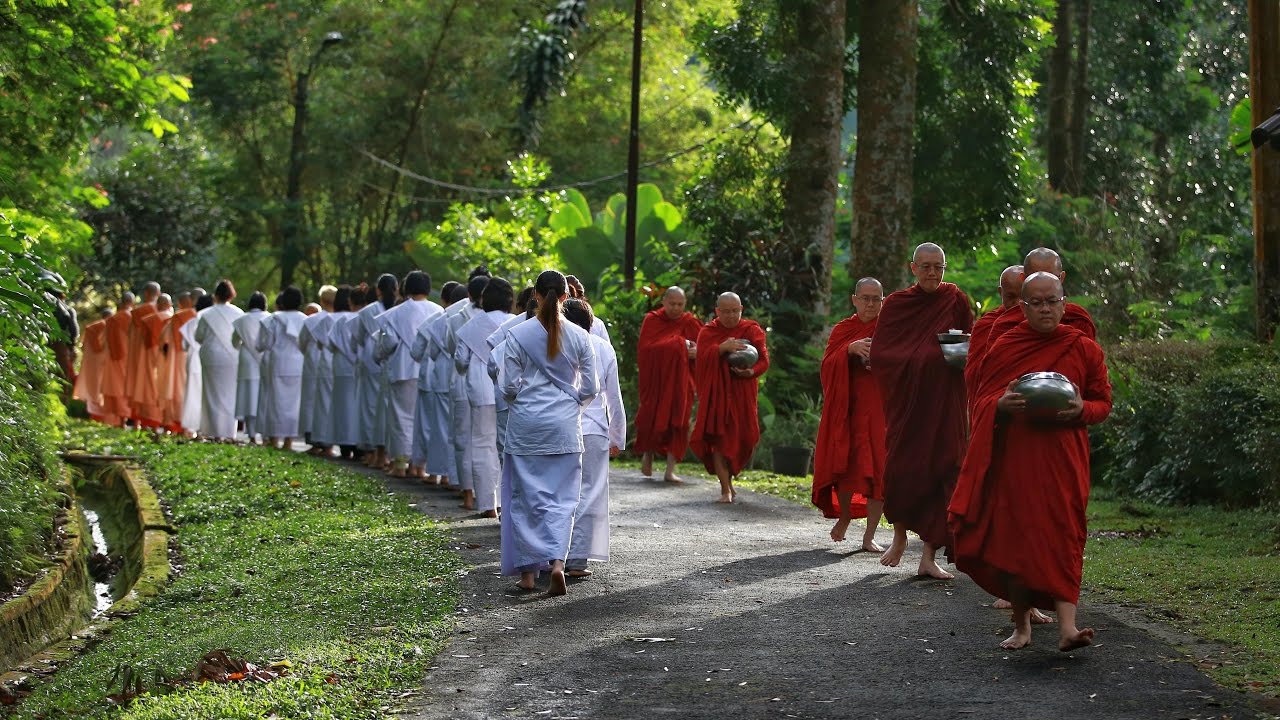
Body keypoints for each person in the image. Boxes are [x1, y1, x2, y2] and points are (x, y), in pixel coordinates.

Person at [949, 272, 1112, 651]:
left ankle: (1068, 628)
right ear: (1022, 307)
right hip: (1017, 457)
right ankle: (1021, 626)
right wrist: (1000, 405)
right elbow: (982, 400)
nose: (1045, 309)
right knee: (1017, 538)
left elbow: (1103, 403)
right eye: (1036, 303)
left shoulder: (1083, 348)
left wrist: (1082, 409)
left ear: (1064, 303)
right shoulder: (1007, 345)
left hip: (1064, 458)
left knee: (1065, 534)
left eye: (1052, 301)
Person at [869, 242, 974, 579]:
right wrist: (920, 359)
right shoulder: (897, 304)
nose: (932, 273)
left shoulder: (956, 300)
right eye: (925, 266)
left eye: (938, 267)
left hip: (945, 402)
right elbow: (881, 353)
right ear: (912, 268)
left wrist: (956, 354)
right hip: (908, 405)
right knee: (901, 470)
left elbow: (968, 342)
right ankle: (899, 538)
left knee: (945, 470)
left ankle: (928, 556)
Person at [499, 270, 599, 596]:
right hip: (564, 428)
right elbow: (591, 387)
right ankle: (557, 564)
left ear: (536, 296)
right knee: (562, 500)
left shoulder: (518, 334)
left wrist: (522, 402)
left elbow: (507, 385)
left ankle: (528, 575)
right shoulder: (581, 336)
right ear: (566, 297)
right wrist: (572, 405)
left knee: (525, 500)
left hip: (526, 427)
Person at [812, 278, 887, 551]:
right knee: (846, 465)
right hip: (849, 410)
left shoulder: (890, 328)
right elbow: (826, 367)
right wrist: (848, 350)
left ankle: (870, 535)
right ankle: (844, 516)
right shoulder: (843, 329)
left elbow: (904, 361)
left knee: (879, 470)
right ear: (854, 300)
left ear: (883, 301)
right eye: (865, 298)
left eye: (876, 299)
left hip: (880, 409)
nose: (870, 304)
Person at [563, 298, 625, 578]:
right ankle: (577, 559)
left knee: (558, 491)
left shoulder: (553, 345)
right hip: (595, 429)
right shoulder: (602, 347)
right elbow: (613, 397)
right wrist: (617, 437)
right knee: (589, 491)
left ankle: (553, 555)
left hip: (559, 426)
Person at [690, 292, 769, 504]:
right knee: (718, 441)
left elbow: (764, 360)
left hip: (743, 393)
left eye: (735, 311)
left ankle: (730, 481)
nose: (731, 316)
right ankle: (725, 489)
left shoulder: (751, 330)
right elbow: (702, 360)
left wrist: (751, 372)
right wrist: (721, 348)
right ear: (717, 311)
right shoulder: (709, 332)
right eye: (725, 312)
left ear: (741, 309)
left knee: (745, 438)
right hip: (717, 396)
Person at [455, 277, 515, 516]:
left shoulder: (471, 325)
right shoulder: (515, 323)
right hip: (508, 392)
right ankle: (504, 501)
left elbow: (461, 361)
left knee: (482, 444)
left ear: (484, 299)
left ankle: (487, 504)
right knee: (506, 446)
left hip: (479, 390)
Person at [376, 270, 441, 477]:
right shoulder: (438, 310)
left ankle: (401, 465)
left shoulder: (396, 313)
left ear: (406, 288)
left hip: (403, 369)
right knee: (424, 420)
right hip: (430, 371)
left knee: (401, 417)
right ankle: (419, 465)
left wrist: (380, 354)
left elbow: (389, 342)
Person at [634, 286, 702, 483]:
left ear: (685, 304)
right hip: (656, 382)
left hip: (682, 382)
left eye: (680, 304)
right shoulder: (652, 320)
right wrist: (679, 345)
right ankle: (648, 456)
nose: (676, 308)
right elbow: (645, 350)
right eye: (672, 304)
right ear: (663, 302)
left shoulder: (690, 322)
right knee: (651, 417)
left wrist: (696, 352)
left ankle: (670, 470)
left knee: (680, 421)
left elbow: (703, 347)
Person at [445, 271, 490, 509]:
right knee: (489, 443)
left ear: (469, 295)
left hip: (463, 383)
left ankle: (468, 494)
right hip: (491, 388)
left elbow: (452, 350)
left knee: (464, 440)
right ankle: (490, 497)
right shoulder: (498, 320)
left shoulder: (455, 318)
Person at [410, 281, 459, 477]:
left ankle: (429, 470)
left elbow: (422, 352)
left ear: (444, 300)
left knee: (431, 426)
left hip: (434, 377)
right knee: (454, 429)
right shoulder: (470, 319)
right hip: (457, 379)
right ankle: (449, 476)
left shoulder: (436, 320)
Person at [422, 283, 469, 484]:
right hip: (463, 375)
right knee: (460, 431)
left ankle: (437, 473)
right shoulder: (471, 317)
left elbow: (432, 352)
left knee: (441, 428)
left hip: (443, 374)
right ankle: (454, 478)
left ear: (445, 300)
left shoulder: (441, 319)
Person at [966, 265, 1024, 413]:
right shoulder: (986, 325)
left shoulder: (1042, 323)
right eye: (1011, 297)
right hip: (996, 408)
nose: (1017, 304)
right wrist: (995, 402)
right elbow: (974, 377)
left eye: (1023, 297)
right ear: (1000, 292)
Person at [354, 276, 397, 468]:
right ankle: (387, 454)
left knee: (369, 408)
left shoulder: (367, 311)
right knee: (389, 409)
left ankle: (371, 452)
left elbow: (357, 338)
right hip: (391, 361)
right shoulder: (397, 309)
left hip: (371, 360)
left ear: (378, 290)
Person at [258, 286, 308, 449]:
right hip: (298, 364)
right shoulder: (305, 320)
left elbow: (265, 343)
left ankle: (274, 439)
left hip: (278, 363)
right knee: (295, 404)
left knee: (275, 402)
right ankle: (289, 441)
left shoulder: (274, 319)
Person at [195, 280, 245, 440]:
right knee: (230, 393)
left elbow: (199, 336)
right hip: (232, 356)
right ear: (231, 295)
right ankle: (228, 432)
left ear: (215, 295)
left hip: (211, 356)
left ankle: (212, 430)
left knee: (211, 393)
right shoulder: (239, 313)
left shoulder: (206, 314)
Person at [300, 285, 337, 454]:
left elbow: (301, 342)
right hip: (333, 362)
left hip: (312, 361)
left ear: (322, 300)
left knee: (311, 400)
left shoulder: (311, 321)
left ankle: (314, 439)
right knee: (329, 401)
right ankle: (329, 442)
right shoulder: (341, 319)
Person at [231, 291, 270, 444]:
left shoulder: (241, 320)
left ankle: (252, 435)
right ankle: (266, 435)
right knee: (265, 395)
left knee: (248, 396)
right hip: (266, 358)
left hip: (246, 358)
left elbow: (234, 342)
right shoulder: (270, 318)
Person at [327, 286, 361, 459]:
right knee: (359, 406)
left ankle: (345, 444)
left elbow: (330, 344)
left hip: (342, 367)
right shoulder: (364, 318)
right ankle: (360, 445)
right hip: (360, 368)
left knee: (343, 407)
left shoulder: (340, 321)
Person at [125, 281, 163, 428]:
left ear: (145, 293)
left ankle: (138, 422)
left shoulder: (137, 313)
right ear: (158, 294)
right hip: (157, 356)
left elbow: (130, 336)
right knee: (154, 386)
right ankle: (157, 422)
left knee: (140, 386)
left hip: (138, 357)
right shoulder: (162, 311)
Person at [158, 292, 198, 433]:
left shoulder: (176, 318)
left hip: (177, 359)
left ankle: (177, 424)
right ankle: (191, 428)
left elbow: (164, 341)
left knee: (177, 389)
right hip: (195, 357)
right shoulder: (200, 316)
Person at [179, 294, 212, 435]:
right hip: (209, 358)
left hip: (193, 358)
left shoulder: (191, 322)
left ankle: (190, 427)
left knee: (192, 393)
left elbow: (184, 345)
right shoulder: (211, 320)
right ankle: (206, 427)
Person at [101, 292, 135, 425]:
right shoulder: (132, 317)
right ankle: (126, 419)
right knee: (125, 386)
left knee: (114, 386)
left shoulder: (111, 319)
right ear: (131, 302)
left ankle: (115, 419)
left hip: (112, 358)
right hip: (129, 357)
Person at [74, 309, 112, 424]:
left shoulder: (91, 327)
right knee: (101, 390)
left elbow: (83, 346)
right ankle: (102, 418)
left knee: (93, 389)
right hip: (104, 362)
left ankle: (94, 416)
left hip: (91, 364)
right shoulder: (107, 326)